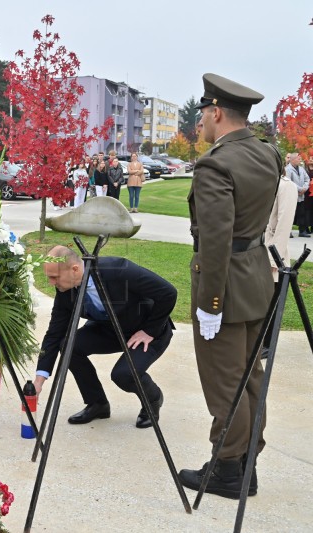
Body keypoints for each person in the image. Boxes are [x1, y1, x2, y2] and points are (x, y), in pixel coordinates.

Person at [179, 73, 283, 499]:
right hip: (257, 280)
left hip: (225, 285)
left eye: (203, 114)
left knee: (226, 385)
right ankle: (246, 465)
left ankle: (225, 468)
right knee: (250, 379)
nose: (200, 122)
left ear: (217, 112)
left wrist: (211, 301)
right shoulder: (268, 155)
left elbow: (216, 240)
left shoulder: (215, 163)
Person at [35, 246, 175, 428]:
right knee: (69, 346)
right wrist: (39, 380)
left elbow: (168, 292)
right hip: (110, 330)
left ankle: (153, 399)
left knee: (123, 375)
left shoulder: (118, 270)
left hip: (147, 332)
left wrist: (150, 330)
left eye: (54, 277)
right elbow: (55, 333)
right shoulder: (65, 291)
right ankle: (98, 404)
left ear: (75, 269)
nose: (51, 282)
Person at [261, 167, 297, 358]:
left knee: (271, 302)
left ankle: (268, 344)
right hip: (255, 253)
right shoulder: (261, 182)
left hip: (273, 254)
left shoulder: (286, 186)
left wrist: (274, 257)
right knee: (259, 301)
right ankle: (259, 341)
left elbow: (284, 224)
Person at [286, 153, 310, 236]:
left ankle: (302, 231)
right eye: (298, 159)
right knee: (290, 214)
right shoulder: (287, 169)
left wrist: (305, 188)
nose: (300, 160)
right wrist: (300, 189)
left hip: (301, 195)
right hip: (292, 195)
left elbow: (307, 179)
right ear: (292, 160)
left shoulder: (301, 169)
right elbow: (288, 181)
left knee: (301, 213)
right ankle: (288, 232)